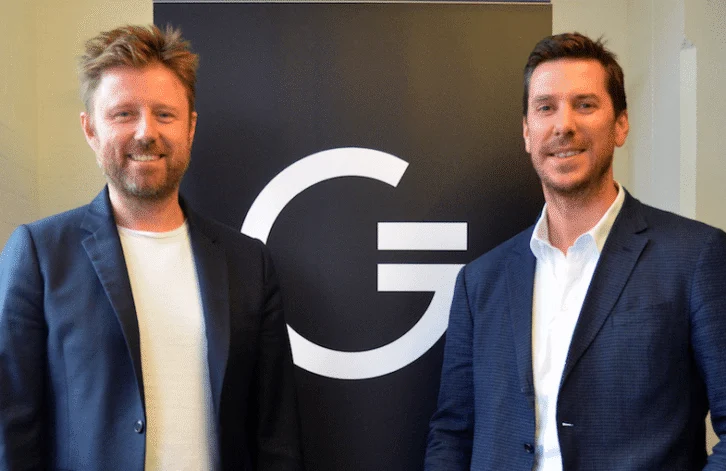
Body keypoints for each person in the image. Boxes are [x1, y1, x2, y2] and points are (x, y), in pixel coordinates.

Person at [0, 25, 303, 470]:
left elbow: (276, 435)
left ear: (190, 127)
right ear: (90, 129)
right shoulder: (40, 255)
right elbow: (12, 429)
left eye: (164, 114)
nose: (146, 132)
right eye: (123, 114)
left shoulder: (248, 263)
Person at [424, 32, 726, 470]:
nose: (563, 125)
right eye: (545, 107)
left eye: (585, 105)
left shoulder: (695, 258)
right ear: (527, 132)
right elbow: (452, 434)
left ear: (620, 124)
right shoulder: (480, 282)